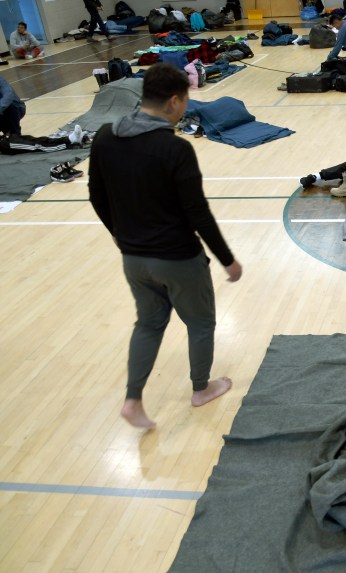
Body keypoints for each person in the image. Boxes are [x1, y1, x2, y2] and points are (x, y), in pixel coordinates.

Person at [88, 63, 242, 429]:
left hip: (134, 259)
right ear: (174, 102)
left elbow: (96, 195)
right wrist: (227, 260)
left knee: (148, 325)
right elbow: (197, 213)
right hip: (177, 259)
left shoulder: (106, 136)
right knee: (201, 323)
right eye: (186, 100)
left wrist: (119, 233)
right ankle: (201, 389)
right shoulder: (174, 149)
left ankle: (133, 400)